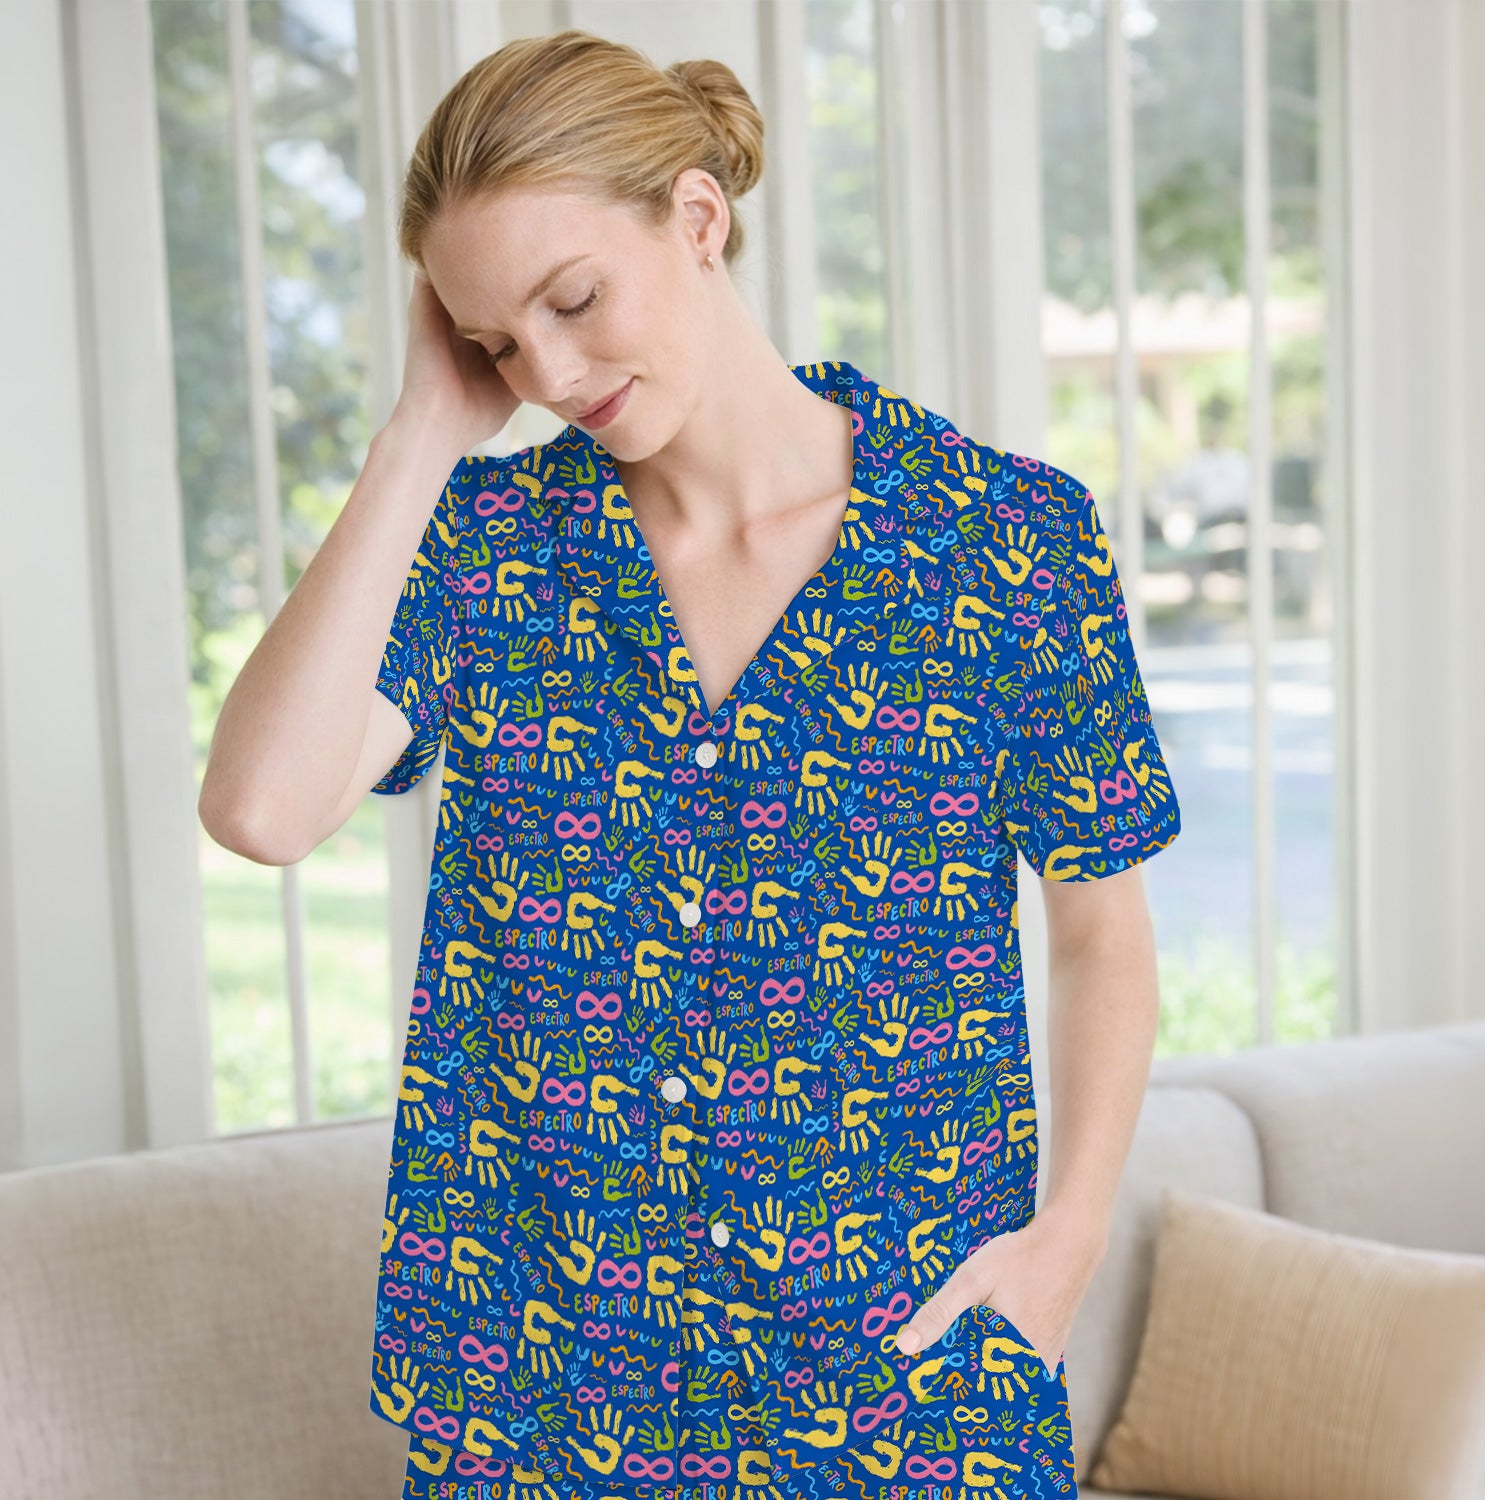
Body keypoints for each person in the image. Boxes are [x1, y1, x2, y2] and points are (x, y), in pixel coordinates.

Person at [200, 27, 1182, 1500]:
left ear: (699, 216)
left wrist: (1069, 1241)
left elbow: (1102, 928)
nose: (549, 372)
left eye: (574, 299)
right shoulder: (485, 556)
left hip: (901, 1388)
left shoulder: (1006, 542)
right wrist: (420, 434)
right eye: (495, 344)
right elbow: (262, 811)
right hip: (541, 1405)